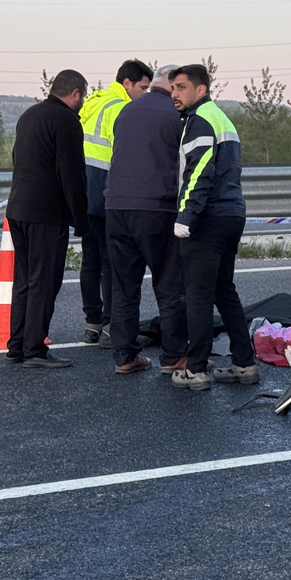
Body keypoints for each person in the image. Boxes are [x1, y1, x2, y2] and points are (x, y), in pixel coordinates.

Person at [168, 64, 253, 390]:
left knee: (198, 296)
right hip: (231, 214)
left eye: (181, 87)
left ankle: (196, 370)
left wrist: (185, 217)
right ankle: (244, 364)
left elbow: (200, 170)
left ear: (200, 90)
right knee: (223, 291)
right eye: (173, 87)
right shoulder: (220, 117)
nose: (174, 94)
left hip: (207, 218)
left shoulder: (200, 120)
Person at [103, 65, 190, 375]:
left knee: (124, 286)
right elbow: (185, 163)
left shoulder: (126, 111)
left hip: (115, 205)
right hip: (157, 207)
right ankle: (174, 356)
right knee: (169, 284)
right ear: (173, 86)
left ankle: (125, 356)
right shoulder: (177, 114)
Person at [6, 70, 90, 368]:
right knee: (45, 281)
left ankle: (17, 346)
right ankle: (35, 349)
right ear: (75, 94)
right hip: (46, 214)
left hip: (17, 209)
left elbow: (18, 158)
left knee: (25, 280)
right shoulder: (67, 121)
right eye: (83, 96)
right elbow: (72, 174)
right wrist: (81, 219)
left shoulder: (29, 115)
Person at [78, 59, 153, 346]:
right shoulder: (122, 108)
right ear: (127, 84)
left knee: (90, 261)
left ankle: (92, 323)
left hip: (85, 194)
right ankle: (111, 325)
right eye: (143, 88)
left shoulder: (94, 101)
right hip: (108, 194)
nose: (144, 94)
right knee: (112, 262)